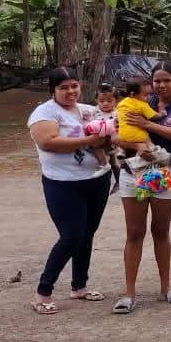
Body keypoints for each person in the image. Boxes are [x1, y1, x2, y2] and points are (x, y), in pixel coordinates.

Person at [112, 61, 171, 314]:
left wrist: (148, 125)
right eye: (156, 81)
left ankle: (166, 288)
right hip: (133, 173)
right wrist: (138, 146)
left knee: (161, 230)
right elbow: (115, 135)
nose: (161, 85)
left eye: (166, 80)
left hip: (168, 175)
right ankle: (129, 293)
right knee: (134, 232)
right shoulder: (138, 102)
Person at [26, 67, 114, 313]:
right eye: (63, 87)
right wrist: (89, 141)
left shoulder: (87, 110)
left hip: (96, 179)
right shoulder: (44, 113)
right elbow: (47, 142)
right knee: (71, 235)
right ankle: (42, 293)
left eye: (74, 86)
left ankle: (79, 286)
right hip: (63, 183)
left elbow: (108, 134)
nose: (70, 91)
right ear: (52, 90)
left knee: (87, 233)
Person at [114, 77, 160, 165]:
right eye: (146, 95)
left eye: (149, 94)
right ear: (133, 94)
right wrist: (161, 113)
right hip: (138, 136)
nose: (148, 97)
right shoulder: (142, 104)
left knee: (124, 137)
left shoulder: (122, 103)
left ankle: (122, 152)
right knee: (147, 140)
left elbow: (118, 115)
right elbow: (153, 116)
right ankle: (151, 149)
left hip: (123, 135)